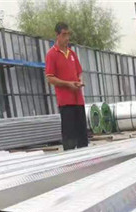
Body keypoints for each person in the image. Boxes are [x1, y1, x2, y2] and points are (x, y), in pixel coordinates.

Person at [45, 22, 88, 151]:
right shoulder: (52, 54)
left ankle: (86, 159)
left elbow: (79, 72)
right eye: (64, 35)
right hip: (66, 102)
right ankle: (71, 159)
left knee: (82, 137)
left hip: (78, 100)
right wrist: (68, 84)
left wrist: (79, 82)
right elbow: (50, 78)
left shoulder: (72, 54)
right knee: (70, 137)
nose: (67, 38)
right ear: (57, 35)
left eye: (68, 34)